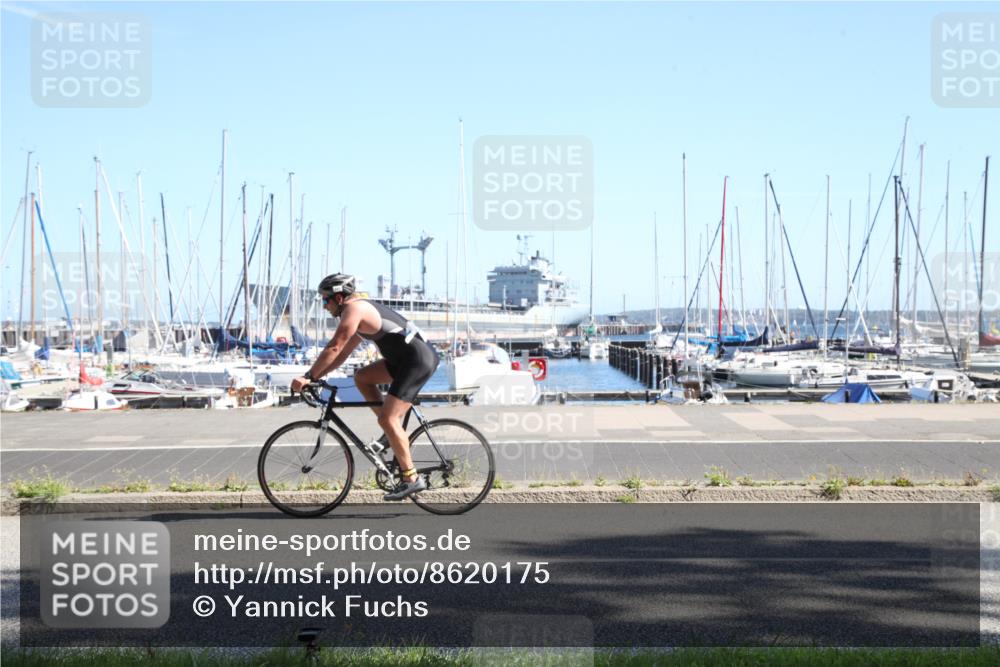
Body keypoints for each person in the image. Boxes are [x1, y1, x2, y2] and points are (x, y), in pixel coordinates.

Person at [290, 273, 439, 501]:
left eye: (325, 300)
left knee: (388, 419)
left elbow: (334, 347)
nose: (324, 306)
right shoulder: (358, 313)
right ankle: (392, 434)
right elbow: (341, 355)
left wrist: (309, 375)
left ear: (339, 298)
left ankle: (411, 479)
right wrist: (317, 377)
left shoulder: (354, 310)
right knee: (362, 378)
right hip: (403, 360)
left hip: (416, 361)